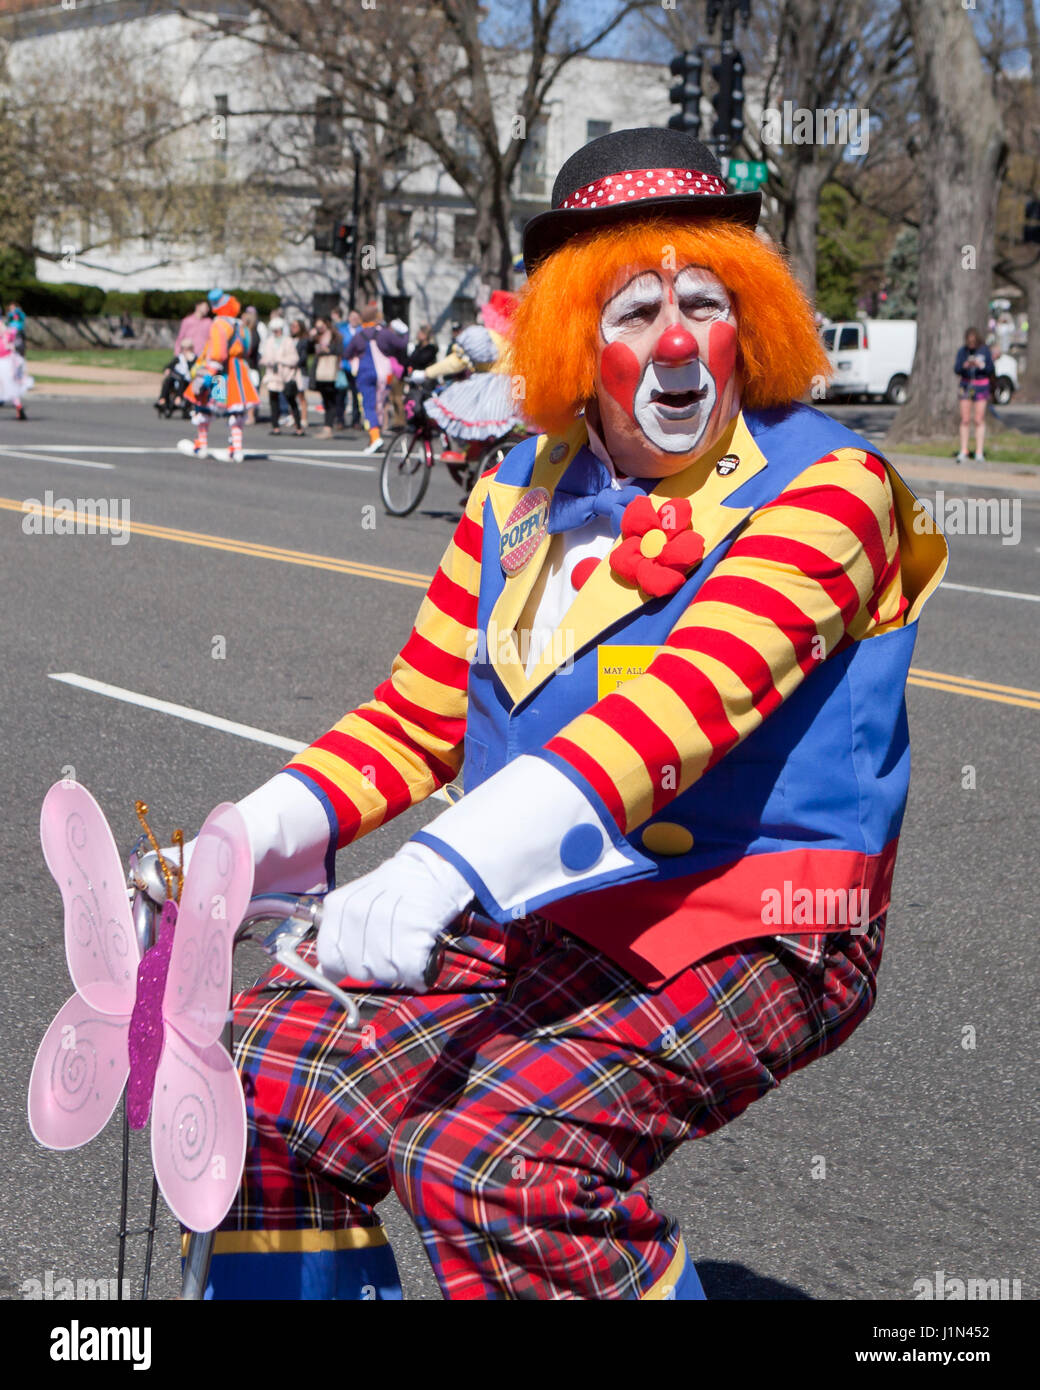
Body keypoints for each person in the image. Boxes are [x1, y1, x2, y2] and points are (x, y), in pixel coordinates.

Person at [172, 127, 947, 1301]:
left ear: (755, 319)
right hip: (550, 892)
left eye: (706, 301)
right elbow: (419, 712)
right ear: (574, 333)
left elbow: (672, 718)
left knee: (494, 1162)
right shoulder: (519, 483)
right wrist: (243, 841)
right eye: (634, 311)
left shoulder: (830, 490)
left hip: (752, 913)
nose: (677, 341)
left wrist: (437, 868)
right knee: (266, 1068)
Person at [415, 290, 525, 469]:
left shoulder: (485, 335)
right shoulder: (515, 341)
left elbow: (457, 362)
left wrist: (426, 373)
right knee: (495, 427)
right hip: (514, 387)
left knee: (457, 407)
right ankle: (477, 454)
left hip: (490, 388)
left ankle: (467, 451)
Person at [178, 289, 260, 462]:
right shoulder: (241, 325)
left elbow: (218, 353)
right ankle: (236, 449)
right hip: (239, 371)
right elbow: (248, 349)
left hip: (221, 372)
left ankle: (202, 445)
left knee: (206, 405)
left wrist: (207, 375)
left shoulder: (219, 325)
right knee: (236, 410)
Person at [342, 302, 408, 454]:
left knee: (369, 406)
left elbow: (347, 354)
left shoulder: (359, 335)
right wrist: (405, 332)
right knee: (380, 404)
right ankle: (374, 439)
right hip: (385, 374)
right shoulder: (384, 333)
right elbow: (402, 344)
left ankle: (375, 436)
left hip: (365, 373)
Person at [954, 327, 994, 463]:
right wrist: (965, 365)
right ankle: (964, 450)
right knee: (965, 419)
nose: (971, 344)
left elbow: (991, 369)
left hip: (981, 385)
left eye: (973, 341)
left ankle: (979, 451)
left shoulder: (984, 350)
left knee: (979, 419)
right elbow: (956, 368)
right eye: (969, 342)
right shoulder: (963, 351)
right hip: (966, 386)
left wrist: (980, 365)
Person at [259, 316, 304, 435]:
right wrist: (267, 361)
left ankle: (298, 427)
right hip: (273, 376)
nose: (276, 332)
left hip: (286, 375)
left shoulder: (288, 341)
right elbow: (265, 357)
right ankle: (275, 427)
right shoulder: (269, 341)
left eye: (278, 329)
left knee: (291, 400)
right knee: (273, 401)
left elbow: (294, 359)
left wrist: (280, 360)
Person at [309, 316, 345, 439]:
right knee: (325, 400)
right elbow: (308, 349)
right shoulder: (317, 337)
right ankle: (327, 427)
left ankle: (328, 427)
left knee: (331, 400)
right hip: (320, 372)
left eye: (321, 326)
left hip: (331, 371)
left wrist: (327, 350)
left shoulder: (335, 337)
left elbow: (340, 351)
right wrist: (312, 337)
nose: (320, 329)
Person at [0, 318, 33, 419]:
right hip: (9, 360)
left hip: (5, 361)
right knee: (11, 385)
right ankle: (19, 407)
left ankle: (18, 407)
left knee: (9, 385)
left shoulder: (7, 330)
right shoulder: (9, 330)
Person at [154, 344, 196, 416]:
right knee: (168, 380)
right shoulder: (179, 358)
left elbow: (194, 370)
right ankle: (162, 399)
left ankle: (179, 398)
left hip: (187, 381)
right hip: (176, 379)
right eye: (184, 349)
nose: (185, 351)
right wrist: (167, 369)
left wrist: (190, 361)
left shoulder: (194, 359)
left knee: (182, 379)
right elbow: (169, 366)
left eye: (187, 349)